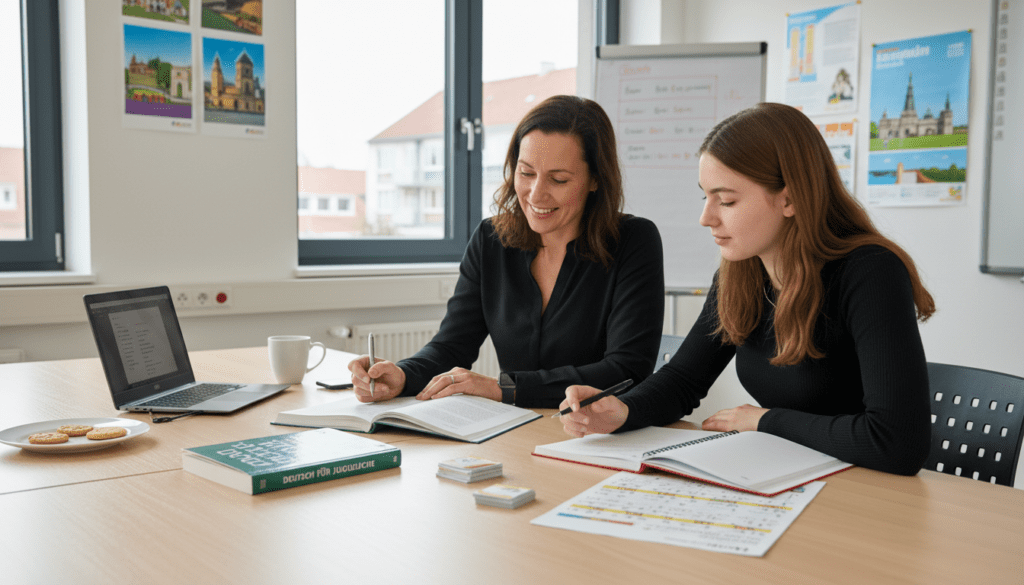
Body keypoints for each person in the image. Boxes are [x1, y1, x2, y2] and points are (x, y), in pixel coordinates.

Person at [559, 102, 936, 476]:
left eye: (726, 200)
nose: (706, 217)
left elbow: (897, 442)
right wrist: (623, 410)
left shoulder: (870, 273)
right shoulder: (740, 272)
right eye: (705, 197)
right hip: (783, 474)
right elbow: (685, 379)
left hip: (865, 492)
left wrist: (764, 420)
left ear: (789, 198)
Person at [348, 95, 665, 409]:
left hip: (596, 434)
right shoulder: (491, 239)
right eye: (526, 173)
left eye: (558, 179)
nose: (536, 193)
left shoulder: (634, 241)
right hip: (514, 430)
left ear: (595, 179)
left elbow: (627, 371)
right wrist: (402, 375)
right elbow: (451, 347)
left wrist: (506, 389)